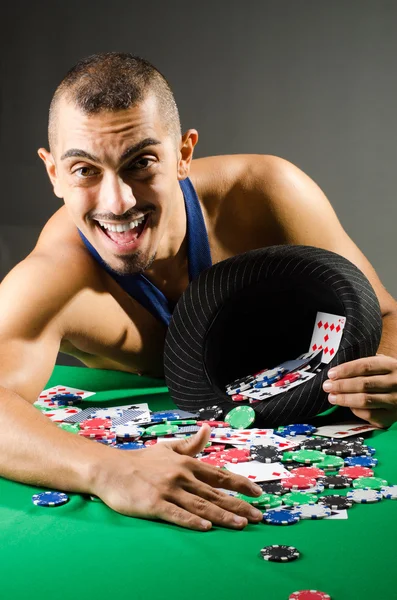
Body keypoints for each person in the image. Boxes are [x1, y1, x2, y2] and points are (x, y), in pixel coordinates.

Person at [1, 52, 396, 531]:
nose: (118, 201)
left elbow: (386, 314)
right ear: (54, 174)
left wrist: (389, 372)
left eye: (141, 163)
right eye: (85, 170)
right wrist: (107, 468)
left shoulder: (267, 192)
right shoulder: (54, 278)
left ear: (183, 154)